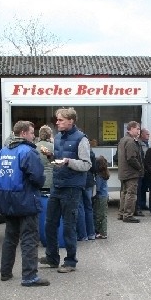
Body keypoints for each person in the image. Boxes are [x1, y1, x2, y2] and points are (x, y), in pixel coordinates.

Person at [0, 121, 49, 287]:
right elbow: (37, 177)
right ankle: (29, 275)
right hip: (25, 198)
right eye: (32, 133)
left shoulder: (2, 151)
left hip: (6, 198)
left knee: (10, 237)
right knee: (29, 238)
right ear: (24, 133)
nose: (34, 136)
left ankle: (5, 272)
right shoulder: (28, 151)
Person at [40, 108, 91, 273]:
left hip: (72, 188)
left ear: (71, 121)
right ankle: (52, 258)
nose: (57, 122)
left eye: (61, 120)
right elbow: (58, 160)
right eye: (57, 119)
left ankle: (70, 261)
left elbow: (86, 165)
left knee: (69, 226)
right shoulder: (58, 137)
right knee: (50, 223)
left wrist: (68, 161)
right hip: (57, 185)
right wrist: (50, 156)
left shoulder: (82, 139)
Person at [117, 121, 144, 223]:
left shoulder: (123, 140)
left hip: (123, 172)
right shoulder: (130, 141)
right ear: (131, 129)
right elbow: (131, 158)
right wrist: (140, 167)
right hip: (131, 172)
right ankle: (128, 215)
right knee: (131, 194)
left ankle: (121, 213)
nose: (139, 131)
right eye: (137, 129)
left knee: (124, 193)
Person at [93, 156, 110, 239]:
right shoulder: (105, 174)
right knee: (103, 215)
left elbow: (98, 188)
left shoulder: (99, 176)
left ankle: (102, 232)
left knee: (99, 215)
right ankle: (103, 232)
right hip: (105, 196)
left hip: (100, 197)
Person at [136, 127, 151, 214]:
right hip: (141, 168)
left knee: (145, 187)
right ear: (142, 134)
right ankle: (138, 205)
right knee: (139, 188)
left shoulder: (149, 143)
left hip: (147, 169)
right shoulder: (139, 143)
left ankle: (143, 203)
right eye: (147, 134)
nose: (148, 135)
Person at [36, 125, 55, 191]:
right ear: (50, 135)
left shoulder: (34, 147)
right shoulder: (54, 147)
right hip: (51, 180)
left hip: (38, 179)